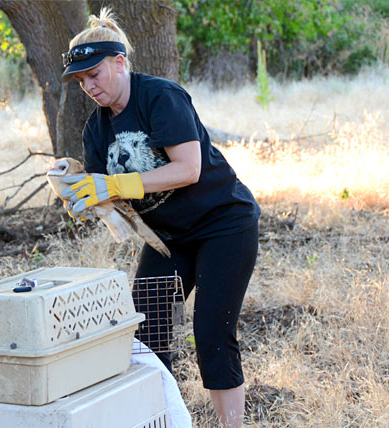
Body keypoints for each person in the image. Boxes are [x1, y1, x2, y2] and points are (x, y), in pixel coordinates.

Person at [59, 8, 260, 428]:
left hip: (224, 224)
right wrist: (78, 194)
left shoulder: (160, 96)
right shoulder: (96, 130)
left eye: (94, 74)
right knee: (143, 339)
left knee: (211, 334)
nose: (88, 86)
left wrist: (113, 186)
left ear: (119, 62)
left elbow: (188, 169)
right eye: (80, 81)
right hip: (167, 238)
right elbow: (112, 201)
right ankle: (162, 419)